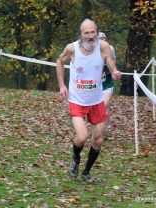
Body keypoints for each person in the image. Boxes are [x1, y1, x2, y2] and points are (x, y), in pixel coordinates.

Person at [56, 19, 121, 182]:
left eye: (93, 32)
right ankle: (76, 157)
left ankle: (86, 172)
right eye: (87, 33)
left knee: (98, 139)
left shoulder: (103, 47)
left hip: (97, 100)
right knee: (83, 136)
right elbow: (59, 61)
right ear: (81, 34)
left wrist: (114, 72)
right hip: (77, 100)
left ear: (97, 33)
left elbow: (111, 64)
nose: (90, 36)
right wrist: (62, 85)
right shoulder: (72, 48)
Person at [99, 32, 116, 140]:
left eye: (103, 39)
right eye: (99, 39)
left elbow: (113, 63)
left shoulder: (110, 49)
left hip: (107, 82)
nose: (102, 41)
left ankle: (102, 132)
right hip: (94, 84)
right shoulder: (91, 49)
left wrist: (112, 72)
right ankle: (96, 129)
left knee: (105, 105)